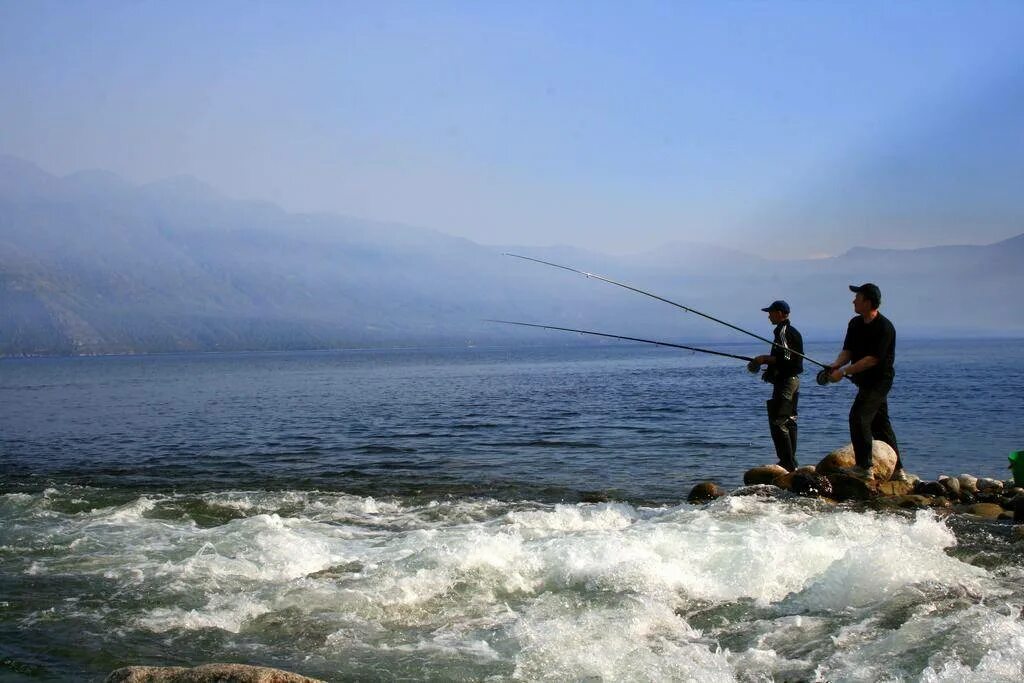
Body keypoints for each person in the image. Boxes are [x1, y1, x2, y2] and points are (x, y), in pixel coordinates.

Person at [826, 283, 907, 481]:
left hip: (879, 381)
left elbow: (872, 359)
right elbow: (849, 351)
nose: (853, 301)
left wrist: (844, 372)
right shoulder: (855, 323)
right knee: (880, 424)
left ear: (868, 302)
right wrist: (836, 365)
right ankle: (898, 471)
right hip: (863, 380)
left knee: (859, 417)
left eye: (858, 298)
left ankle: (864, 467)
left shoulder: (885, 327)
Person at [748, 300, 803, 471]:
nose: (768, 316)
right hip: (791, 380)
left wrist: (762, 359)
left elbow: (787, 358)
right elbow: (786, 360)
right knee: (790, 420)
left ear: (780, 313)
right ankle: (791, 462)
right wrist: (770, 371)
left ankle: (787, 462)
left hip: (787, 382)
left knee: (778, 421)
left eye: (771, 312)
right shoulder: (785, 331)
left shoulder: (784, 332)